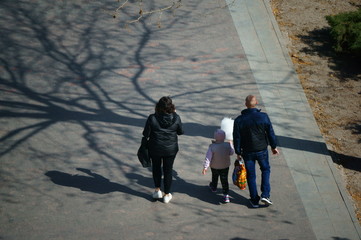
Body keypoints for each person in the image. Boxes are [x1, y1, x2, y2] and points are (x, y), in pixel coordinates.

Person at [233, 95, 279, 208]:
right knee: (265, 169)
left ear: (245, 104)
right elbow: (270, 132)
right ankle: (265, 195)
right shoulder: (263, 117)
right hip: (262, 149)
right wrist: (273, 146)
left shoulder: (239, 120)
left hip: (247, 152)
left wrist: (238, 152)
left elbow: (237, 137)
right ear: (256, 103)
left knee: (251, 175)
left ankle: (254, 200)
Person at [142, 96, 184, 203]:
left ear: (158, 106)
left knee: (156, 168)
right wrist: (175, 114)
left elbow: (146, 133)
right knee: (168, 170)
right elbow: (180, 132)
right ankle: (166, 194)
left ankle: (157, 190)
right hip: (170, 149)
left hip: (155, 148)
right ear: (172, 107)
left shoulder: (152, 118)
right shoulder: (176, 117)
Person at [202, 129, 235, 203]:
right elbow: (231, 153)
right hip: (225, 166)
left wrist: (205, 167)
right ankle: (226, 195)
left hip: (214, 166)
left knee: (215, 176)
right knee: (224, 180)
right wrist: (231, 144)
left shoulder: (212, 146)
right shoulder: (227, 145)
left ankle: (214, 187)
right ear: (224, 137)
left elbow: (208, 157)